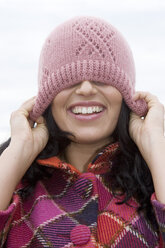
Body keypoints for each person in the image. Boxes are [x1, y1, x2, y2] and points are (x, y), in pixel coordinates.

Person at [0, 16, 165, 248]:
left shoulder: (155, 176)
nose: (86, 89)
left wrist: (155, 144)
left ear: (126, 96)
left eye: (102, 79)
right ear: (46, 98)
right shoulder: (13, 177)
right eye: (68, 81)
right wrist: (18, 151)